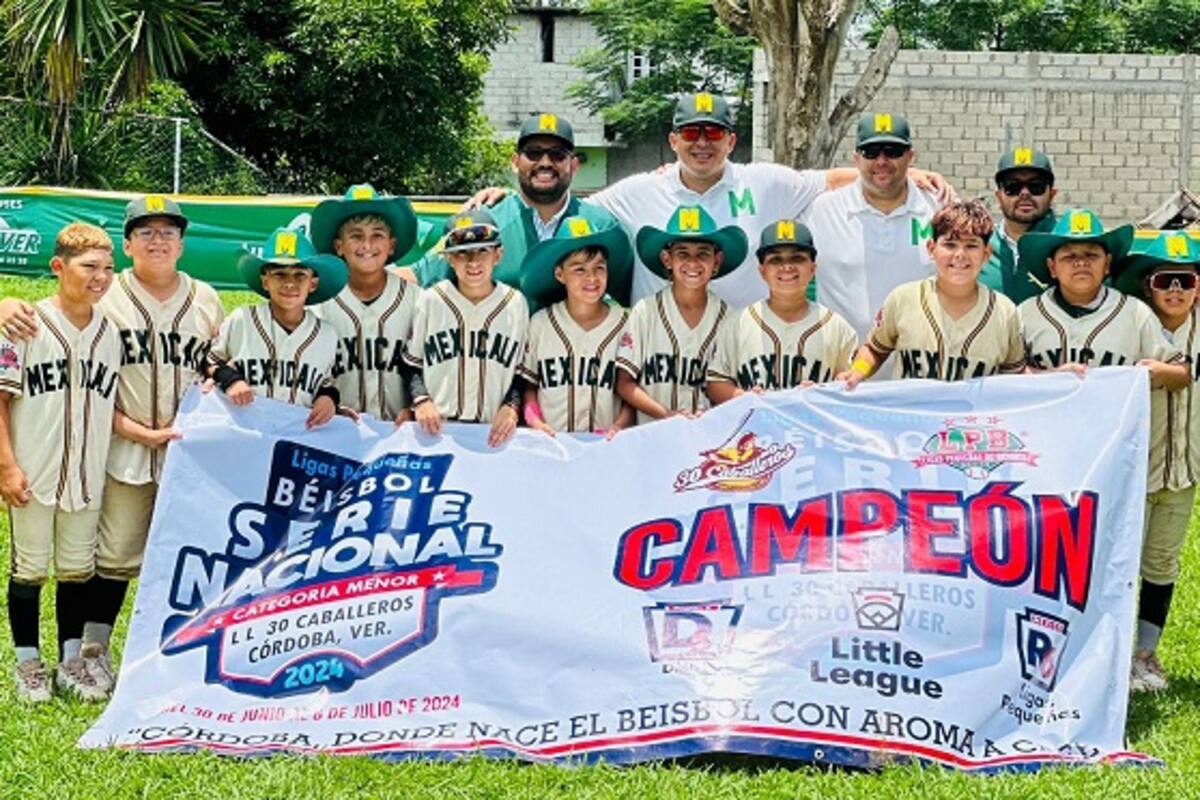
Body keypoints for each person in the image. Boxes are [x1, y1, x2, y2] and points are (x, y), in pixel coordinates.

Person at [0, 196, 226, 697]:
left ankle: (173, 655)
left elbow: (220, 359)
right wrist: (5, 304)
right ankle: (90, 654)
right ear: (129, 245)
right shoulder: (106, 297)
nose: (158, 239)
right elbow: (49, 315)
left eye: (168, 231)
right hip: (114, 450)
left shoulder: (207, 299)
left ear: (183, 243)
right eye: (146, 232)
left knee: (184, 559)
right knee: (112, 556)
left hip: (186, 453)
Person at [464, 96, 952, 309]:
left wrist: (912, 173)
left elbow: (826, 178)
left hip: (746, 359)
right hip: (661, 359)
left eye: (713, 133)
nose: (703, 143)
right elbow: (567, 199)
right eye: (692, 133)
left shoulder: (765, 181)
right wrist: (511, 194)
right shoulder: (640, 191)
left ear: (731, 140)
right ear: (673, 141)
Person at [1, 223, 120, 702]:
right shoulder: (26, 323)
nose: (101, 277)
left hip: (87, 470)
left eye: (109, 268)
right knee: (29, 567)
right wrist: (6, 466)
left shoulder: (111, 332)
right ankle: (28, 663)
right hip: (34, 465)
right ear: (58, 266)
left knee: (76, 568)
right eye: (89, 266)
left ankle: (72, 659)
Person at [400, 114, 623, 308]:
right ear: (515, 162)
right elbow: (416, 277)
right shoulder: (484, 222)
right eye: (534, 153)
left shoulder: (602, 227)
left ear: (573, 165)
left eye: (557, 154)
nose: (545, 162)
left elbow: (632, 293)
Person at [1113, 230, 1200, 692]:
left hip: (1185, 471)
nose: (1175, 290)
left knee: (1162, 564)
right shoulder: (1130, 323)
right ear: (1148, 285)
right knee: (1122, 566)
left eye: (1185, 280)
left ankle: (1146, 654)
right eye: (1165, 280)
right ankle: (1116, 656)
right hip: (1135, 472)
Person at [841, 200, 1025, 387]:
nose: (960, 254)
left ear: (986, 254)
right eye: (950, 244)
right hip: (912, 414)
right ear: (931, 249)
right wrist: (859, 370)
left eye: (971, 245)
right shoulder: (903, 298)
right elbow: (874, 349)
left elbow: (1014, 375)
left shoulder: (1005, 311)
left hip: (972, 415)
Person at [807, 112, 948, 343]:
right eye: (871, 153)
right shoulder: (823, 210)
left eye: (893, 152)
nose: (882, 161)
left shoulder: (939, 207)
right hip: (844, 368)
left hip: (919, 368)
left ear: (910, 156)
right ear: (856, 159)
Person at [1017, 208, 1188, 389]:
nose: (1081, 262)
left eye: (1091, 255)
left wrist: (1158, 372)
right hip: (1048, 417)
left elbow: (1182, 373)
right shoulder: (1026, 314)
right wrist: (1050, 377)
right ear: (1052, 267)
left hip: (1115, 417)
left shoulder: (1135, 312)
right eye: (1069, 256)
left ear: (1107, 264)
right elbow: (1007, 375)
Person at [403, 209, 529, 448]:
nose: (473, 261)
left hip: (493, 431)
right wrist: (420, 400)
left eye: (483, 250)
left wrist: (512, 407)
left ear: (498, 254)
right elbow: (411, 363)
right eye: (462, 253)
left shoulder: (515, 303)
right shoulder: (431, 300)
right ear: (449, 258)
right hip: (437, 429)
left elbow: (522, 371)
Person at [616, 205, 746, 422]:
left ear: (717, 261)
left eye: (703, 253)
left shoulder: (730, 318)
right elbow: (624, 383)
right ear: (668, 259)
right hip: (654, 434)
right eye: (683, 253)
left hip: (711, 440)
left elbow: (732, 387)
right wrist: (666, 415)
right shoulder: (645, 311)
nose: (693, 263)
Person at [206, 228, 346, 423]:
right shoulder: (243, 320)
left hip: (297, 436)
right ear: (265, 281)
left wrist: (329, 398)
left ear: (313, 283)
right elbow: (208, 362)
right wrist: (230, 379)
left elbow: (327, 383)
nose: (289, 283)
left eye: (299, 275)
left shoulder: (327, 335)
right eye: (279, 274)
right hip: (243, 433)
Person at [706, 219, 856, 401]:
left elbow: (851, 383)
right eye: (776, 259)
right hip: (756, 427)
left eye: (797, 258)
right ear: (762, 271)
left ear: (813, 268)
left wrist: (827, 390)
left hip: (813, 428)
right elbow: (715, 382)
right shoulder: (738, 323)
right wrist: (743, 397)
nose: (787, 266)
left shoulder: (837, 327)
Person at [310, 183, 421, 422]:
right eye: (356, 236)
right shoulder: (318, 305)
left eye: (377, 235)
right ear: (338, 246)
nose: (367, 245)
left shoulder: (418, 301)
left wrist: (417, 406)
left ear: (391, 245)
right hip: (336, 434)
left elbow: (436, 368)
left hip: (402, 434)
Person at [517, 215, 635, 435]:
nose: (592, 278)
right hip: (554, 443)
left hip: (607, 445)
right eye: (579, 269)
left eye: (599, 268)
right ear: (560, 274)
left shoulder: (626, 323)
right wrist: (535, 421)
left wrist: (619, 427)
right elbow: (530, 386)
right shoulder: (540, 323)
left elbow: (632, 389)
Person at [980, 147, 1059, 304]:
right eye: (1012, 187)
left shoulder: (1066, 245)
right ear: (999, 196)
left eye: (1036, 186)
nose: (1024, 193)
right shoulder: (978, 247)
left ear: (1052, 194)